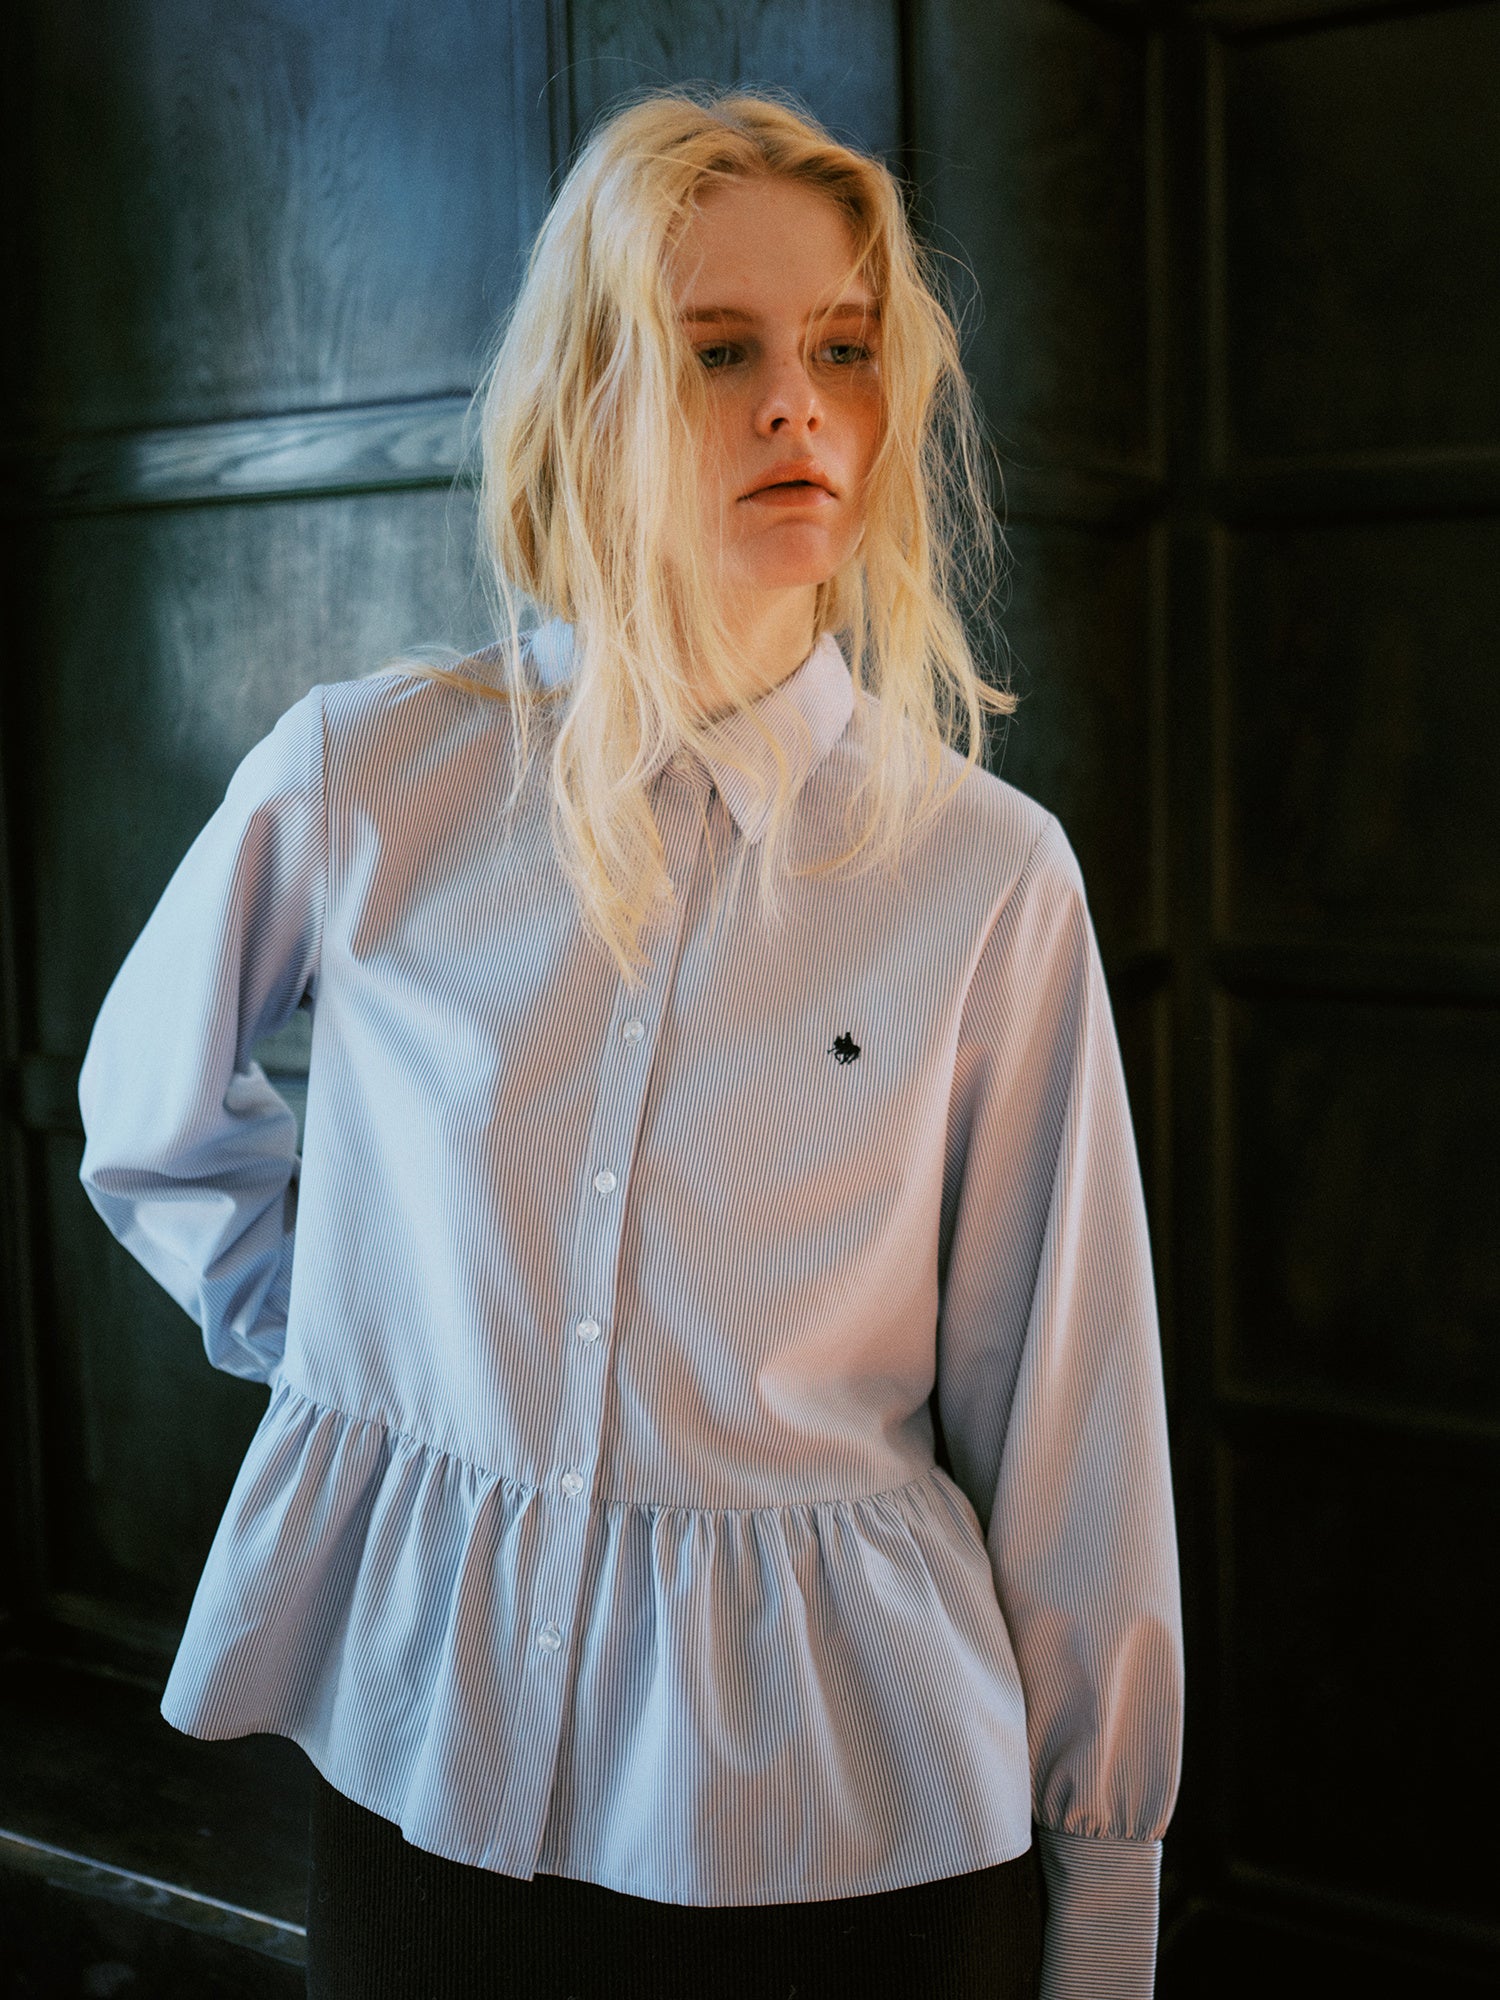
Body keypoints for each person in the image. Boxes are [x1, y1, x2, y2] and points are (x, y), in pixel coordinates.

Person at [76, 89, 1183, 2000]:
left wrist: (1103, 1918)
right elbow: (147, 1121)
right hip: (429, 1794)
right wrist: (366, 1353)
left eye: (846, 349)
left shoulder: (989, 874)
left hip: (861, 1846)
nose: (799, 405)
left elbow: (1075, 1429)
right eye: (719, 350)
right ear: (590, 398)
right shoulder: (368, 778)